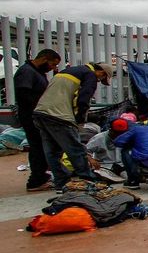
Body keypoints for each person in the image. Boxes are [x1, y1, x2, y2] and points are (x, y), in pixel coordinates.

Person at [32, 62, 112, 192]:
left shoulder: (68, 71)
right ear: (101, 73)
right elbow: (83, 98)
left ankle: (61, 182)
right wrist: (80, 118)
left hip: (41, 113)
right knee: (75, 149)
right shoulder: (90, 75)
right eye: (101, 79)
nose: (98, 81)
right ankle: (89, 180)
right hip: (59, 115)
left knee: (52, 152)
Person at [12, 49, 61, 191]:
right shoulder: (26, 72)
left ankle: (41, 175)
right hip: (31, 116)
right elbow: (24, 95)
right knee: (37, 147)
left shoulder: (37, 72)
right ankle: (36, 180)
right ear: (44, 59)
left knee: (42, 146)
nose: (53, 68)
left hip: (38, 115)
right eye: (52, 64)